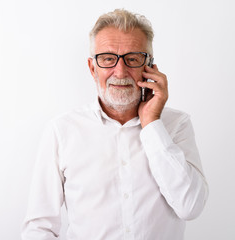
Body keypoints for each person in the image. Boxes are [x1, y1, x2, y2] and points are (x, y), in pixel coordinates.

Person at [21, 9, 208, 240]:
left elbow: (190, 206)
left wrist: (152, 124)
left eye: (132, 59)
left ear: (149, 66)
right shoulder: (62, 131)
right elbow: (39, 228)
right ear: (92, 68)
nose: (120, 72)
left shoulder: (177, 124)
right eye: (108, 59)